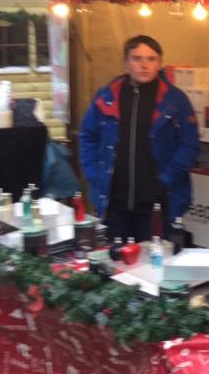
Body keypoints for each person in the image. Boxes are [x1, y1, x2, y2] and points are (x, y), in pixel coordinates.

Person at [79, 36, 199, 242]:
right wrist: (93, 174)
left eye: (151, 59)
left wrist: (166, 180)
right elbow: (87, 136)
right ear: (126, 63)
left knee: (155, 258)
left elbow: (189, 145)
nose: (144, 65)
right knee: (116, 258)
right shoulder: (106, 96)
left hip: (158, 202)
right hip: (114, 202)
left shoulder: (175, 100)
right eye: (137, 58)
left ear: (159, 63)